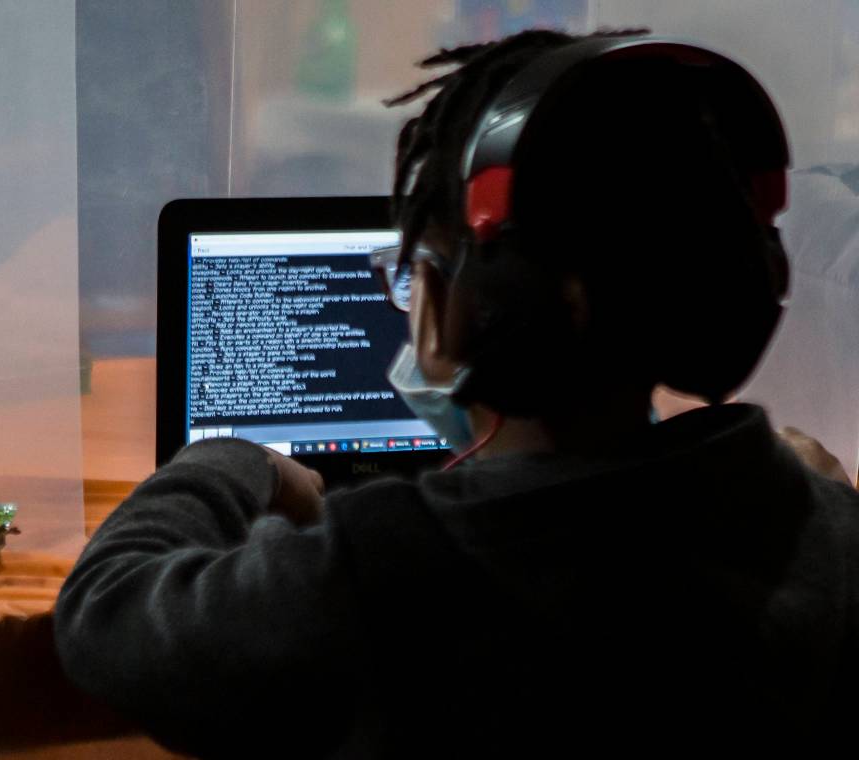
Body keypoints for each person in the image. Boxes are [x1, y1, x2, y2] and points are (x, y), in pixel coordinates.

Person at [54, 29, 859, 758]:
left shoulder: (386, 569)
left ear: (451, 310)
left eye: (417, 274)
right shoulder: (821, 532)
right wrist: (814, 494)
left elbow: (107, 614)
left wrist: (230, 461)